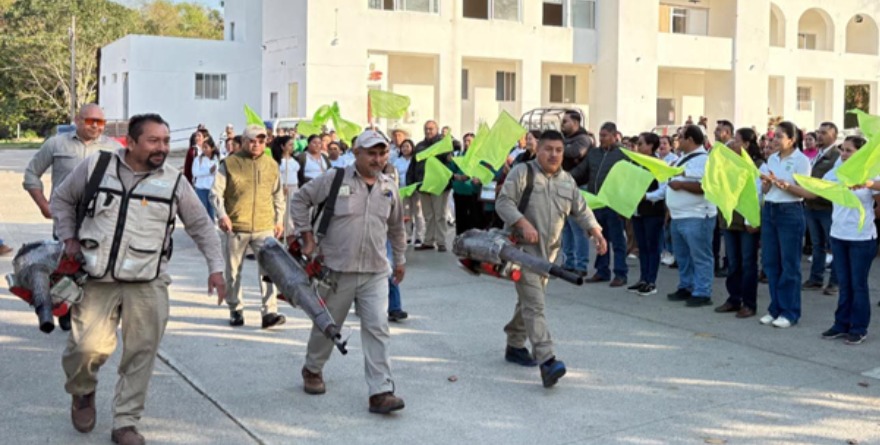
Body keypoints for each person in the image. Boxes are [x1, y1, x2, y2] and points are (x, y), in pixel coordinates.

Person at [50, 113, 225, 445]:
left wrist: (216, 268)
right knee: (85, 348)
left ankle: (126, 422)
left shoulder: (174, 181)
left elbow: (202, 226)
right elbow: (62, 198)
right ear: (130, 142)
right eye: (153, 141)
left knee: (141, 352)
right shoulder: (96, 168)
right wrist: (68, 237)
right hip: (97, 276)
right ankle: (82, 390)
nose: (162, 147)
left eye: (166, 141)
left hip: (148, 281)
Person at [291, 129, 407, 414]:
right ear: (356, 153)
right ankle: (313, 368)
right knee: (327, 326)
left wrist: (401, 258)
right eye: (371, 153)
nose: (377, 159)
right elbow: (300, 200)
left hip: (375, 272)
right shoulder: (335, 178)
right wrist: (306, 236)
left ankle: (381, 391)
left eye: (382, 153)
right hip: (336, 270)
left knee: (378, 328)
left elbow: (396, 227)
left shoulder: (389, 187)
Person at [496, 130, 607, 388]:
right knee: (535, 304)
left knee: (530, 300)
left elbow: (581, 209)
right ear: (539, 149)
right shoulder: (522, 172)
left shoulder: (567, 181)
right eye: (548, 149)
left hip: (550, 257)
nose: (554, 154)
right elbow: (503, 203)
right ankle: (547, 361)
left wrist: (597, 233)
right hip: (522, 253)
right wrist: (522, 223)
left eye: (558, 150)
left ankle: (514, 343)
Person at [22, 103, 122, 332]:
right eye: (90, 121)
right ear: (77, 120)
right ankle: (65, 308)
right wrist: (44, 205)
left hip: (100, 219)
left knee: (96, 265)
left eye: (101, 122)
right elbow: (31, 174)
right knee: (67, 264)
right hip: (65, 217)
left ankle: (89, 310)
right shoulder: (56, 144)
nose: (96, 126)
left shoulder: (114, 149)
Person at [781, 136, 878, 344]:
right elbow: (815, 191)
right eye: (842, 149)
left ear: (860, 153)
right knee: (844, 282)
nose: (843, 153)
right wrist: (787, 185)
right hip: (838, 235)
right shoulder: (835, 172)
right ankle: (841, 324)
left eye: (849, 150)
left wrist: (868, 183)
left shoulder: (870, 172)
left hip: (861, 237)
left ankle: (859, 327)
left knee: (858, 284)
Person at [211, 124, 287, 328]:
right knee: (234, 271)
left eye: (261, 141)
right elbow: (216, 193)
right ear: (243, 141)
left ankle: (269, 312)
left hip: (265, 226)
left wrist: (279, 220)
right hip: (236, 227)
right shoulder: (229, 163)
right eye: (252, 140)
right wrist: (223, 215)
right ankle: (235, 309)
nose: (256, 144)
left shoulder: (271, 164)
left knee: (269, 270)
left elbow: (278, 195)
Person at [758, 121, 811, 328]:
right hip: (770, 208)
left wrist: (785, 185)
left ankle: (790, 312)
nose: (775, 140)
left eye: (780, 136)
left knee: (790, 265)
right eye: (774, 136)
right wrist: (766, 184)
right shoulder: (772, 158)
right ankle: (775, 308)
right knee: (771, 263)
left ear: (792, 139)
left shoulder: (801, 161)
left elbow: (806, 192)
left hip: (790, 211)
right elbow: (765, 191)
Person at [665, 124, 717, 307]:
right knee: (683, 256)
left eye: (680, 137)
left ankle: (702, 291)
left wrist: (682, 185)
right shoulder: (681, 159)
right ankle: (686, 285)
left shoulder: (704, 159)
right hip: (679, 216)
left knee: (700, 255)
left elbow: (707, 187)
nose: (677, 140)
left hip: (697, 215)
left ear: (690, 140)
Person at [714, 128, 764, 319]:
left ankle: (749, 303)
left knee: (748, 263)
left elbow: (757, 194)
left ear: (746, 144)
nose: (731, 144)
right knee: (733, 262)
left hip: (747, 221)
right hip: (729, 219)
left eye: (736, 140)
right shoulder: (728, 164)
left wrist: (751, 219)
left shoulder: (757, 165)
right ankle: (733, 298)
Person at [571, 121, 628, 287]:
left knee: (617, 241)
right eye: (600, 135)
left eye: (604, 136)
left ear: (614, 135)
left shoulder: (623, 154)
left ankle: (620, 273)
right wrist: (565, 178)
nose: (601, 139)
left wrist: (624, 203)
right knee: (599, 239)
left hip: (613, 204)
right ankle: (602, 271)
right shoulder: (594, 153)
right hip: (596, 203)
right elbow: (581, 170)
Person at [802, 122, 841, 295]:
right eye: (819, 132)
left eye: (824, 133)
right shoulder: (816, 154)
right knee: (818, 245)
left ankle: (834, 281)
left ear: (834, 135)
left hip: (827, 207)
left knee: (833, 245)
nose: (820, 136)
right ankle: (816, 278)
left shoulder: (837, 156)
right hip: (811, 205)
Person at [627, 132, 666, 296]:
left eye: (642, 144)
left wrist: (648, 196)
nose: (639, 147)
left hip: (652, 211)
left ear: (650, 146)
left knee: (652, 246)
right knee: (642, 246)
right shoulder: (636, 162)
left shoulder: (657, 164)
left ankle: (651, 281)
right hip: (637, 211)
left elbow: (664, 188)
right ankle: (643, 278)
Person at [408, 120, 450, 252]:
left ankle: (441, 242)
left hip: (439, 186)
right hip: (423, 185)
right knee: (428, 215)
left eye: (431, 129)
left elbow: (450, 161)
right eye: (426, 129)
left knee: (440, 215)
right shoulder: (420, 146)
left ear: (436, 129)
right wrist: (411, 183)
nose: (428, 131)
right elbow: (413, 166)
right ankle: (429, 241)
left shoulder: (443, 144)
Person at [559, 112, 592, 277]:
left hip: (578, 186)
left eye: (565, 121)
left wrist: (558, 147)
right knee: (565, 228)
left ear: (576, 122)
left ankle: (581, 264)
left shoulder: (583, 139)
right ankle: (568, 262)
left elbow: (575, 153)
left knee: (578, 228)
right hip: (563, 185)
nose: (562, 124)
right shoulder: (564, 139)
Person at [393, 139, 424, 245]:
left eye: (407, 146)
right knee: (406, 214)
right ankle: (407, 235)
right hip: (403, 190)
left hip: (415, 189)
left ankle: (419, 236)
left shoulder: (416, 159)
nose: (405, 149)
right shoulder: (397, 161)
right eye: (403, 147)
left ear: (412, 147)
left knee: (418, 213)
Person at [277, 136, 300, 242]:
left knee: (293, 212)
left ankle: (292, 234)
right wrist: (281, 186)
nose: (292, 147)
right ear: (282, 146)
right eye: (289, 145)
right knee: (285, 212)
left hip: (294, 187)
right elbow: (277, 176)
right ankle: (283, 234)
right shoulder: (279, 161)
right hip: (285, 188)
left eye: (292, 144)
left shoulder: (294, 160)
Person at [191, 136, 219, 221]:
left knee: (212, 213)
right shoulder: (198, 159)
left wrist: (211, 171)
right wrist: (208, 171)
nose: (204, 149)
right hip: (201, 189)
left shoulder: (216, 159)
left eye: (206, 147)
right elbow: (195, 173)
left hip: (212, 190)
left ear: (212, 148)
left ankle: (211, 231)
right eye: (203, 147)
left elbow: (217, 173)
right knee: (202, 213)